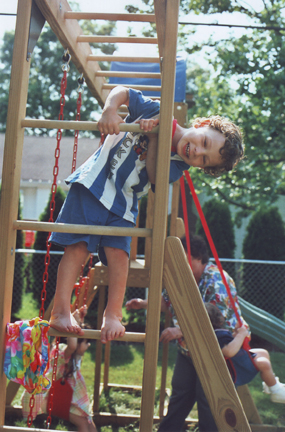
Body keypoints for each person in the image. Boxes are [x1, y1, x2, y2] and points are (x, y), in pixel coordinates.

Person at [49, 85, 244, 343]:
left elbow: (154, 176)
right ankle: (61, 311)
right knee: (78, 247)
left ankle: (113, 314)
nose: (197, 152)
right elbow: (123, 92)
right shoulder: (156, 110)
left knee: (120, 257)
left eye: (205, 160)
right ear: (203, 124)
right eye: (204, 142)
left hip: (124, 202)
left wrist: (154, 138)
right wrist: (110, 110)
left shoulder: (178, 165)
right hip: (95, 182)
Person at [126, 233, 247, 432]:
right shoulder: (183, 276)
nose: (180, 264)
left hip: (214, 351)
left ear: (198, 258)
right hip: (189, 349)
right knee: (180, 394)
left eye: (184, 259)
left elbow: (216, 319)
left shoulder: (217, 280)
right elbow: (168, 300)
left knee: (208, 399)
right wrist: (144, 304)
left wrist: (180, 330)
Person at [22, 308, 97, 432]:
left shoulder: (75, 357)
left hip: (66, 397)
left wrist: (79, 321)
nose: (88, 345)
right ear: (77, 343)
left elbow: (75, 343)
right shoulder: (61, 352)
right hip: (50, 397)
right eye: (86, 342)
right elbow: (72, 345)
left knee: (89, 421)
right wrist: (74, 322)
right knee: (83, 423)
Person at [205, 302, 285, 403]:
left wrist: (236, 333)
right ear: (219, 319)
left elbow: (229, 343)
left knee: (263, 352)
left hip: (237, 360)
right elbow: (229, 351)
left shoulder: (217, 333)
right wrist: (241, 335)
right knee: (264, 363)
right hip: (236, 367)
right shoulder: (217, 335)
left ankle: (271, 384)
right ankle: (276, 391)